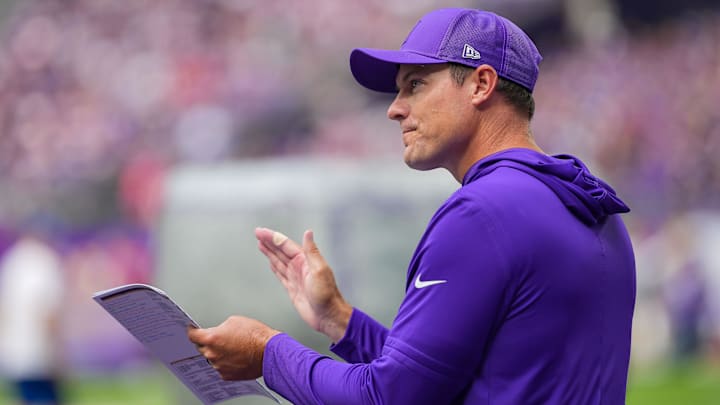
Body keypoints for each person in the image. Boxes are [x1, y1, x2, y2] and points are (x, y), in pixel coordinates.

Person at [188, 8, 636, 404]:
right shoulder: (593, 206)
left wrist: (267, 353)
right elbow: (439, 379)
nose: (395, 109)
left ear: (481, 84)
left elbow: (389, 398)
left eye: (415, 85)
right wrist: (340, 321)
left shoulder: (480, 213)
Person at [0, 229, 65, 405]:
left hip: (13, 349)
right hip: (38, 350)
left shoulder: (12, 261)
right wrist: (57, 350)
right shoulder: (45, 261)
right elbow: (47, 312)